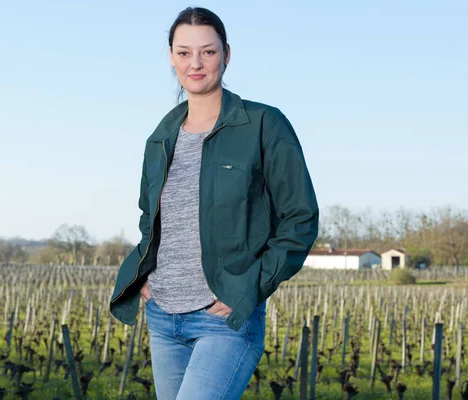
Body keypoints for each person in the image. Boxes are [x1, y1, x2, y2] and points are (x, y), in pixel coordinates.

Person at [109, 6, 319, 400]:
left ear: (226, 54)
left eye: (208, 51)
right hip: (162, 315)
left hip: (223, 319)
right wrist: (146, 278)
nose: (196, 63)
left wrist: (249, 287)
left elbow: (300, 219)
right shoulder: (160, 137)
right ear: (171, 57)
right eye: (184, 52)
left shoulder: (263, 124)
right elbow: (149, 216)